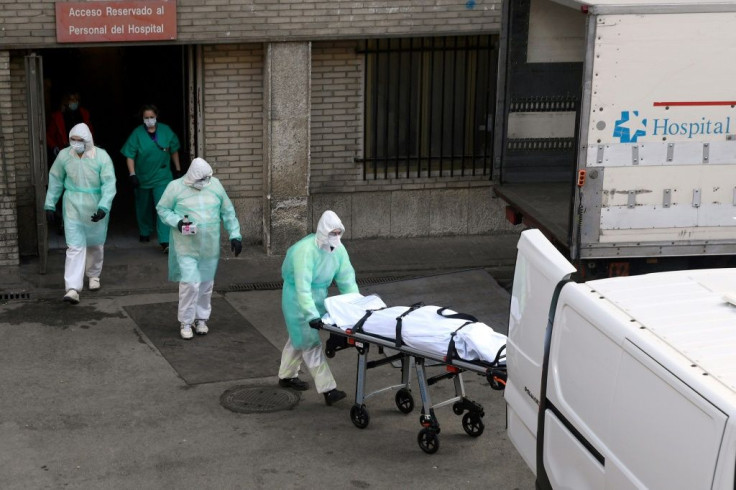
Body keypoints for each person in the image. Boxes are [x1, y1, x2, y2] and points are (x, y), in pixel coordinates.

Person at [277, 210, 359, 406]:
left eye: (339, 233)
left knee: (298, 339)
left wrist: (356, 305)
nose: (336, 237)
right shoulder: (305, 251)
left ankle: (286, 376)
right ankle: (328, 389)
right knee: (310, 342)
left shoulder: (338, 250)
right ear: (323, 231)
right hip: (296, 299)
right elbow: (302, 287)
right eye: (333, 233)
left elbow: (347, 279)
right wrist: (311, 314)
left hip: (319, 296)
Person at [156, 157, 242, 340]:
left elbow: (227, 211)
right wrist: (177, 222)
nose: (205, 183)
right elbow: (162, 209)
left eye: (207, 178)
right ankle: (186, 321)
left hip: (209, 246)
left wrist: (235, 234)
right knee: (190, 283)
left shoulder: (215, 185)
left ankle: (201, 319)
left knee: (205, 284)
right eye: (201, 179)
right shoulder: (175, 187)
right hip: (186, 246)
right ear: (192, 177)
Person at [44, 123, 116, 305]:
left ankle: (93, 275)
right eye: (73, 140)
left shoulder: (101, 157)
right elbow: (55, 179)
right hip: (73, 206)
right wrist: (50, 204)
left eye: (80, 140)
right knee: (75, 246)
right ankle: (73, 288)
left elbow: (109, 184)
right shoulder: (64, 156)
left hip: (95, 203)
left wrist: (103, 207)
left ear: (88, 140)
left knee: (95, 244)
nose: (76, 143)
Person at [121, 104, 182, 253]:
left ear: (157, 117)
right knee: (143, 205)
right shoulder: (137, 134)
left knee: (163, 206)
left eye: (151, 117)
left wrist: (178, 169)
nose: (149, 120)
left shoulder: (166, 131)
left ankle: (165, 240)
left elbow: (174, 150)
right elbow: (130, 154)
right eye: (146, 118)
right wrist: (132, 174)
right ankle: (145, 231)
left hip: (162, 176)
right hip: (143, 176)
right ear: (142, 119)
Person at [46, 91, 93, 158]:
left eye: (76, 99)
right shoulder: (58, 117)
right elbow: (49, 136)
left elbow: (90, 132)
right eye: (72, 100)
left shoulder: (84, 114)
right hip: (66, 153)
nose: (75, 102)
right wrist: (54, 147)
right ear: (66, 101)